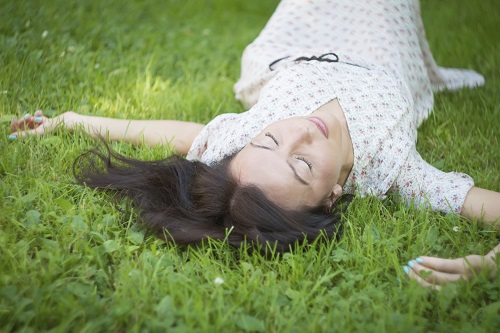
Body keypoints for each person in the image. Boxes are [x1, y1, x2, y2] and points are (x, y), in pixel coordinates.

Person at [8, 0, 499, 288]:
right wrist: (487, 263)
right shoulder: (396, 173)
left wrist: (71, 120)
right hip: (383, 43)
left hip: (301, 37)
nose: (300, 132)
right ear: (331, 196)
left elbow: (170, 133)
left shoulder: (244, 143)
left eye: (272, 139)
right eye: (303, 164)